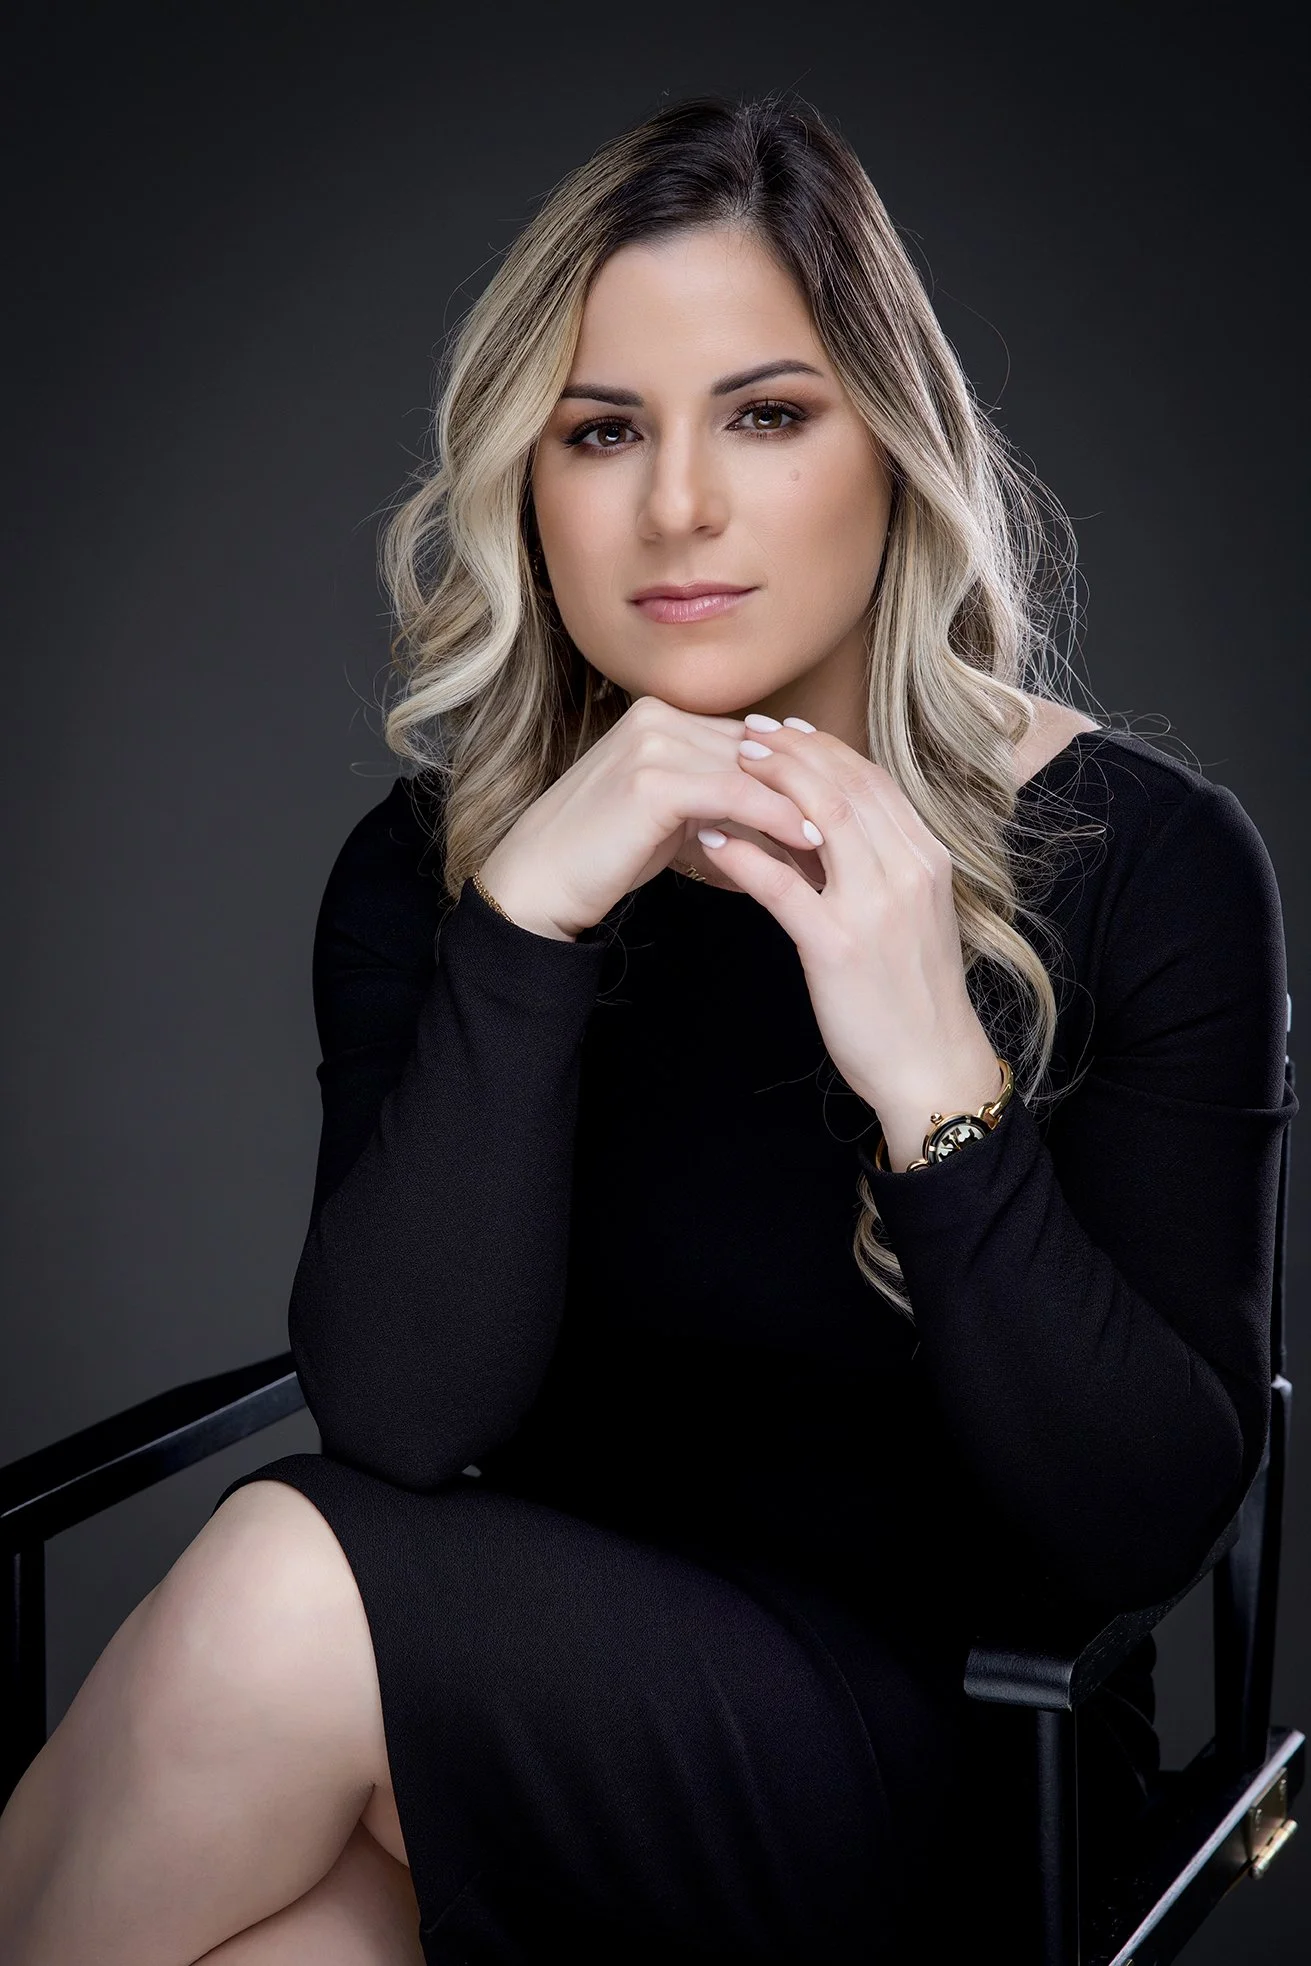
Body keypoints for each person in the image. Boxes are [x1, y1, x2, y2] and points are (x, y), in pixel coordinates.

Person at [0, 91, 1295, 1966]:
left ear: (895, 450)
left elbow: (1135, 1525)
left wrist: (931, 1072)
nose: (675, 506)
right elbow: (403, 1408)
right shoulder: (436, 866)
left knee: (285, 1584)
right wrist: (527, 923)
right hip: (486, 1705)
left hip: (935, 1769)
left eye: (765, 416)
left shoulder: (1146, 862)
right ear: (531, 475)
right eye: (603, 431)